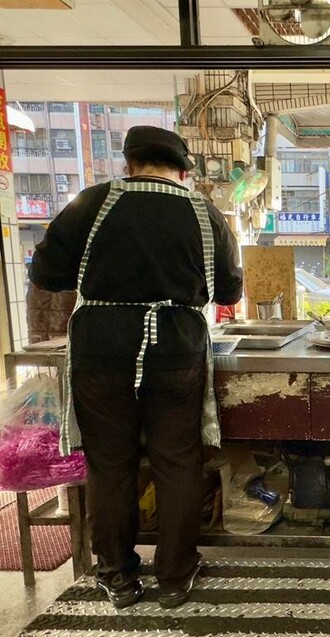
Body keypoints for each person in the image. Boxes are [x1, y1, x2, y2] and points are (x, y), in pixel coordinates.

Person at [30, 126, 243, 610]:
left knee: (111, 465)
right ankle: (174, 576)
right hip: (176, 348)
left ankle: (118, 577)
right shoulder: (203, 212)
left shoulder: (91, 202)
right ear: (184, 170)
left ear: (128, 164)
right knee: (177, 461)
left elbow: (45, 273)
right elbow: (228, 290)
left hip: (101, 349)